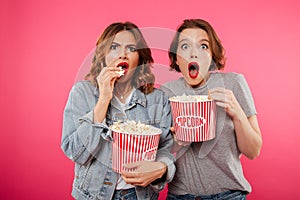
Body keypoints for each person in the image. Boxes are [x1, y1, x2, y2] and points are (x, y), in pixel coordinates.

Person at [61, 21, 175, 200]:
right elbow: (76, 152)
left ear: (140, 57)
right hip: (93, 195)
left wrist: (161, 167)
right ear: (103, 54)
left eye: (131, 48)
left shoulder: (158, 99)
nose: (122, 54)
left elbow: (166, 149)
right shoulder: (82, 93)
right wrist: (103, 99)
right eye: (114, 47)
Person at [160, 19, 263, 200]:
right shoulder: (167, 92)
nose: (193, 53)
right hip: (180, 195)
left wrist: (237, 112)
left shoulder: (233, 83)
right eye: (184, 46)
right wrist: (177, 142)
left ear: (212, 56)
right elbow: (160, 151)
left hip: (228, 195)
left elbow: (253, 151)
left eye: (203, 46)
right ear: (176, 58)